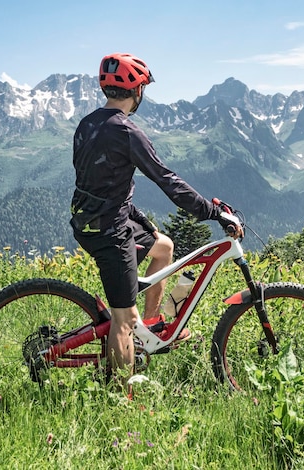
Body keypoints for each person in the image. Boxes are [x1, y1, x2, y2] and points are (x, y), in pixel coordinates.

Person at [70, 52, 242, 388]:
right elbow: (168, 181)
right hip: (110, 231)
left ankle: (148, 327)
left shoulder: (87, 124)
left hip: (89, 220)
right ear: (137, 93)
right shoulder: (127, 132)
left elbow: (101, 185)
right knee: (121, 319)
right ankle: (120, 402)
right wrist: (212, 211)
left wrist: (143, 222)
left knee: (163, 246)